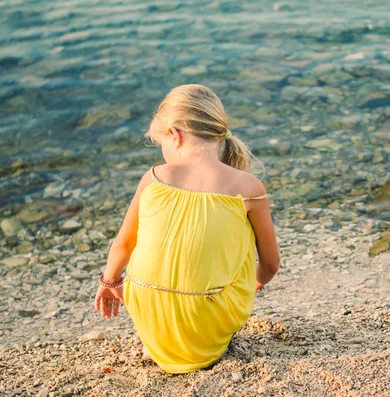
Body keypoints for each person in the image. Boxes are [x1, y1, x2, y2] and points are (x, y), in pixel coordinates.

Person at [93, 84, 280, 374]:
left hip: (147, 312)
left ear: (176, 135)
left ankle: (161, 336)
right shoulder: (249, 187)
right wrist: (249, 286)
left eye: (161, 143)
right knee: (236, 227)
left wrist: (109, 282)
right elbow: (270, 265)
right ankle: (207, 319)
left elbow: (123, 245)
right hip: (206, 319)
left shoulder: (155, 177)